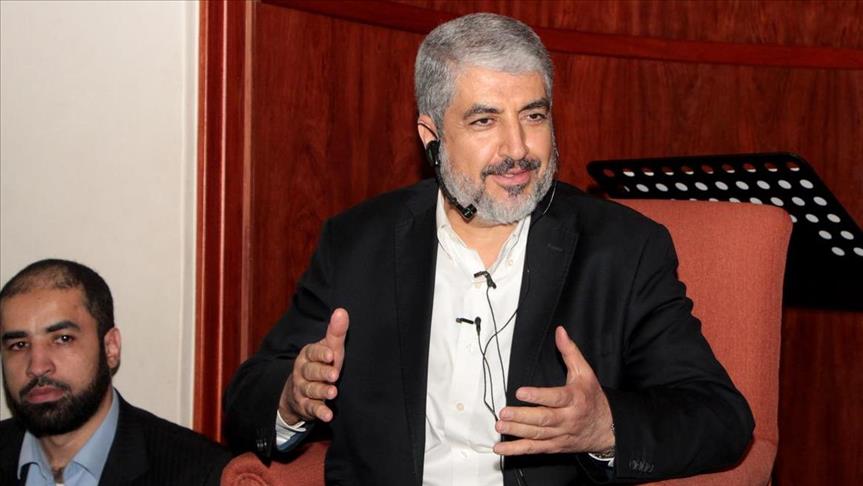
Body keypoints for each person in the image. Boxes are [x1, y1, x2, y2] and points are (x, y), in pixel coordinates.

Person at [224, 12, 753, 485]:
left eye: (534, 116)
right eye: (485, 121)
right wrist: (292, 397)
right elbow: (248, 395)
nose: (518, 149)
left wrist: (603, 426)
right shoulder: (360, 242)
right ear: (431, 136)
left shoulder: (621, 250)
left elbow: (720, 418)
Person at [0, 259, 230, 485]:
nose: (37, 366)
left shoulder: (200, 472)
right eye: (19, 345)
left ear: (111, 348)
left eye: (63, 339)